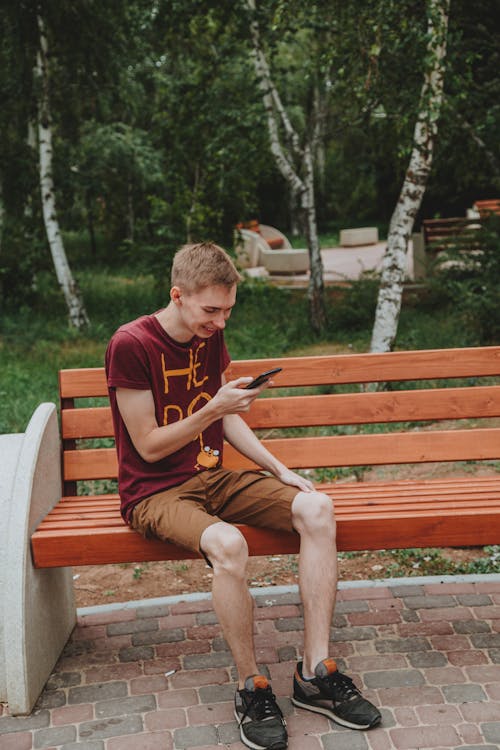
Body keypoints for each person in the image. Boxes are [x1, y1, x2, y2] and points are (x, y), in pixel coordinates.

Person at [105, 242, 381, 750]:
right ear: (178, 295)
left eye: (228, 310)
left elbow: (227, 416)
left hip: (213, 477)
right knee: (229, 545)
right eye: (211, 310)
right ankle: (251, 687)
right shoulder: (131, 344)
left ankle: (314, 672)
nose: (221, 323)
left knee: (317, 508)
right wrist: (213, 409)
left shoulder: (208, 337)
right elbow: (146, 446)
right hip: (154, 491)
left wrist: (279, 469)